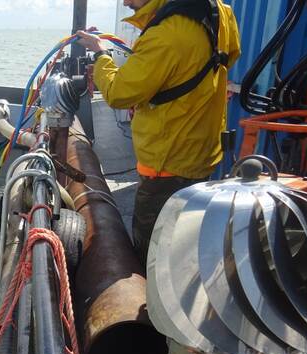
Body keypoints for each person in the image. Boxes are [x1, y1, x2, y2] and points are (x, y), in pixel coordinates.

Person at [76, 0, 240, 263]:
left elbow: (119, 94)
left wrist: (100, 55)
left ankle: (150, 298)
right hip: (202, 155)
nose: (126, 2)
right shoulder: (219, 12)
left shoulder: (165, 33)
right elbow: (228, 55)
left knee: (151, 252)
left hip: (166, 165)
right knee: (185, 240)